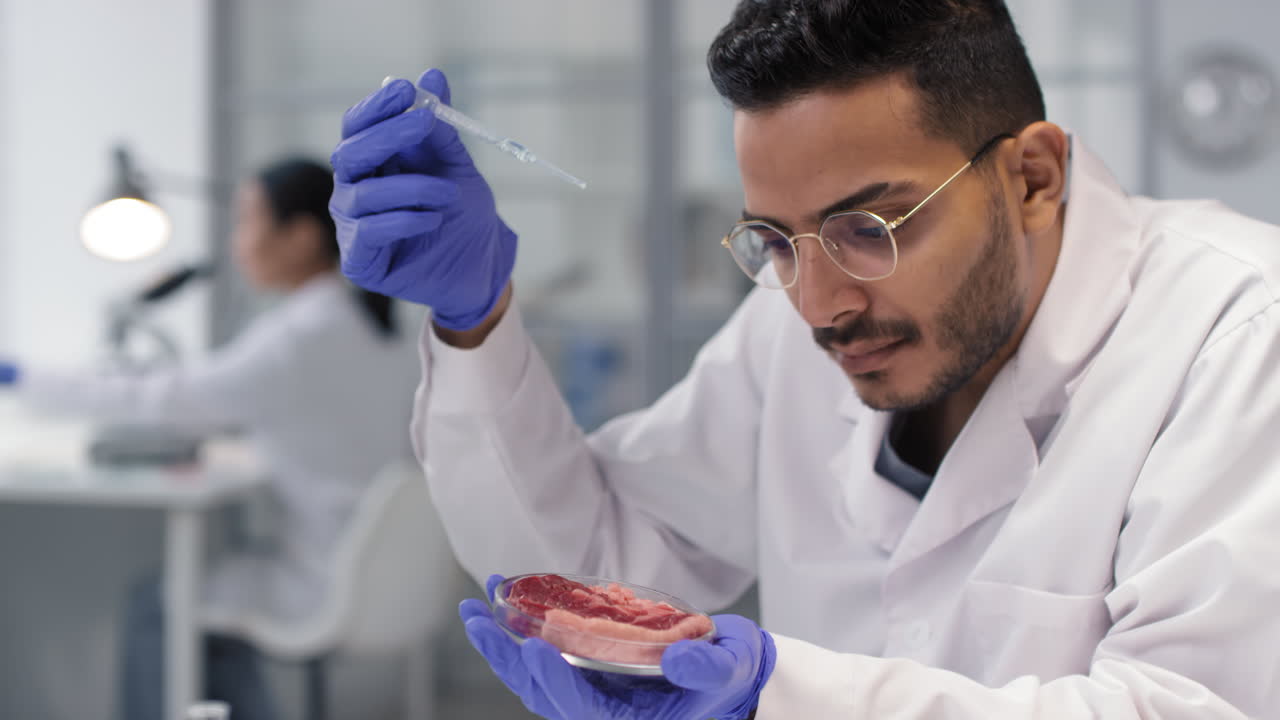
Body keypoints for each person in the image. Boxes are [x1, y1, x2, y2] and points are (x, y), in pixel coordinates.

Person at [327, 1, 1280, 717]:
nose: (820, 303)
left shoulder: (1237, 332)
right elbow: (588, 571)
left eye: (870, 224)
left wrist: (779, 698)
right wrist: (475, 318)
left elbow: (1191, 704)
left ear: (1032, 175)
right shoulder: (796, 314)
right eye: (775, 239)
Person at [0, 158, 419, 720]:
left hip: (322, 575)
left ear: (300, 237)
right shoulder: (373, 329)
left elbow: (169, 398)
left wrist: (22, 378)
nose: (237, 243)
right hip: (384, 572)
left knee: (160, 605)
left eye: (248, 222)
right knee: (208, 606)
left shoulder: (300, 336)